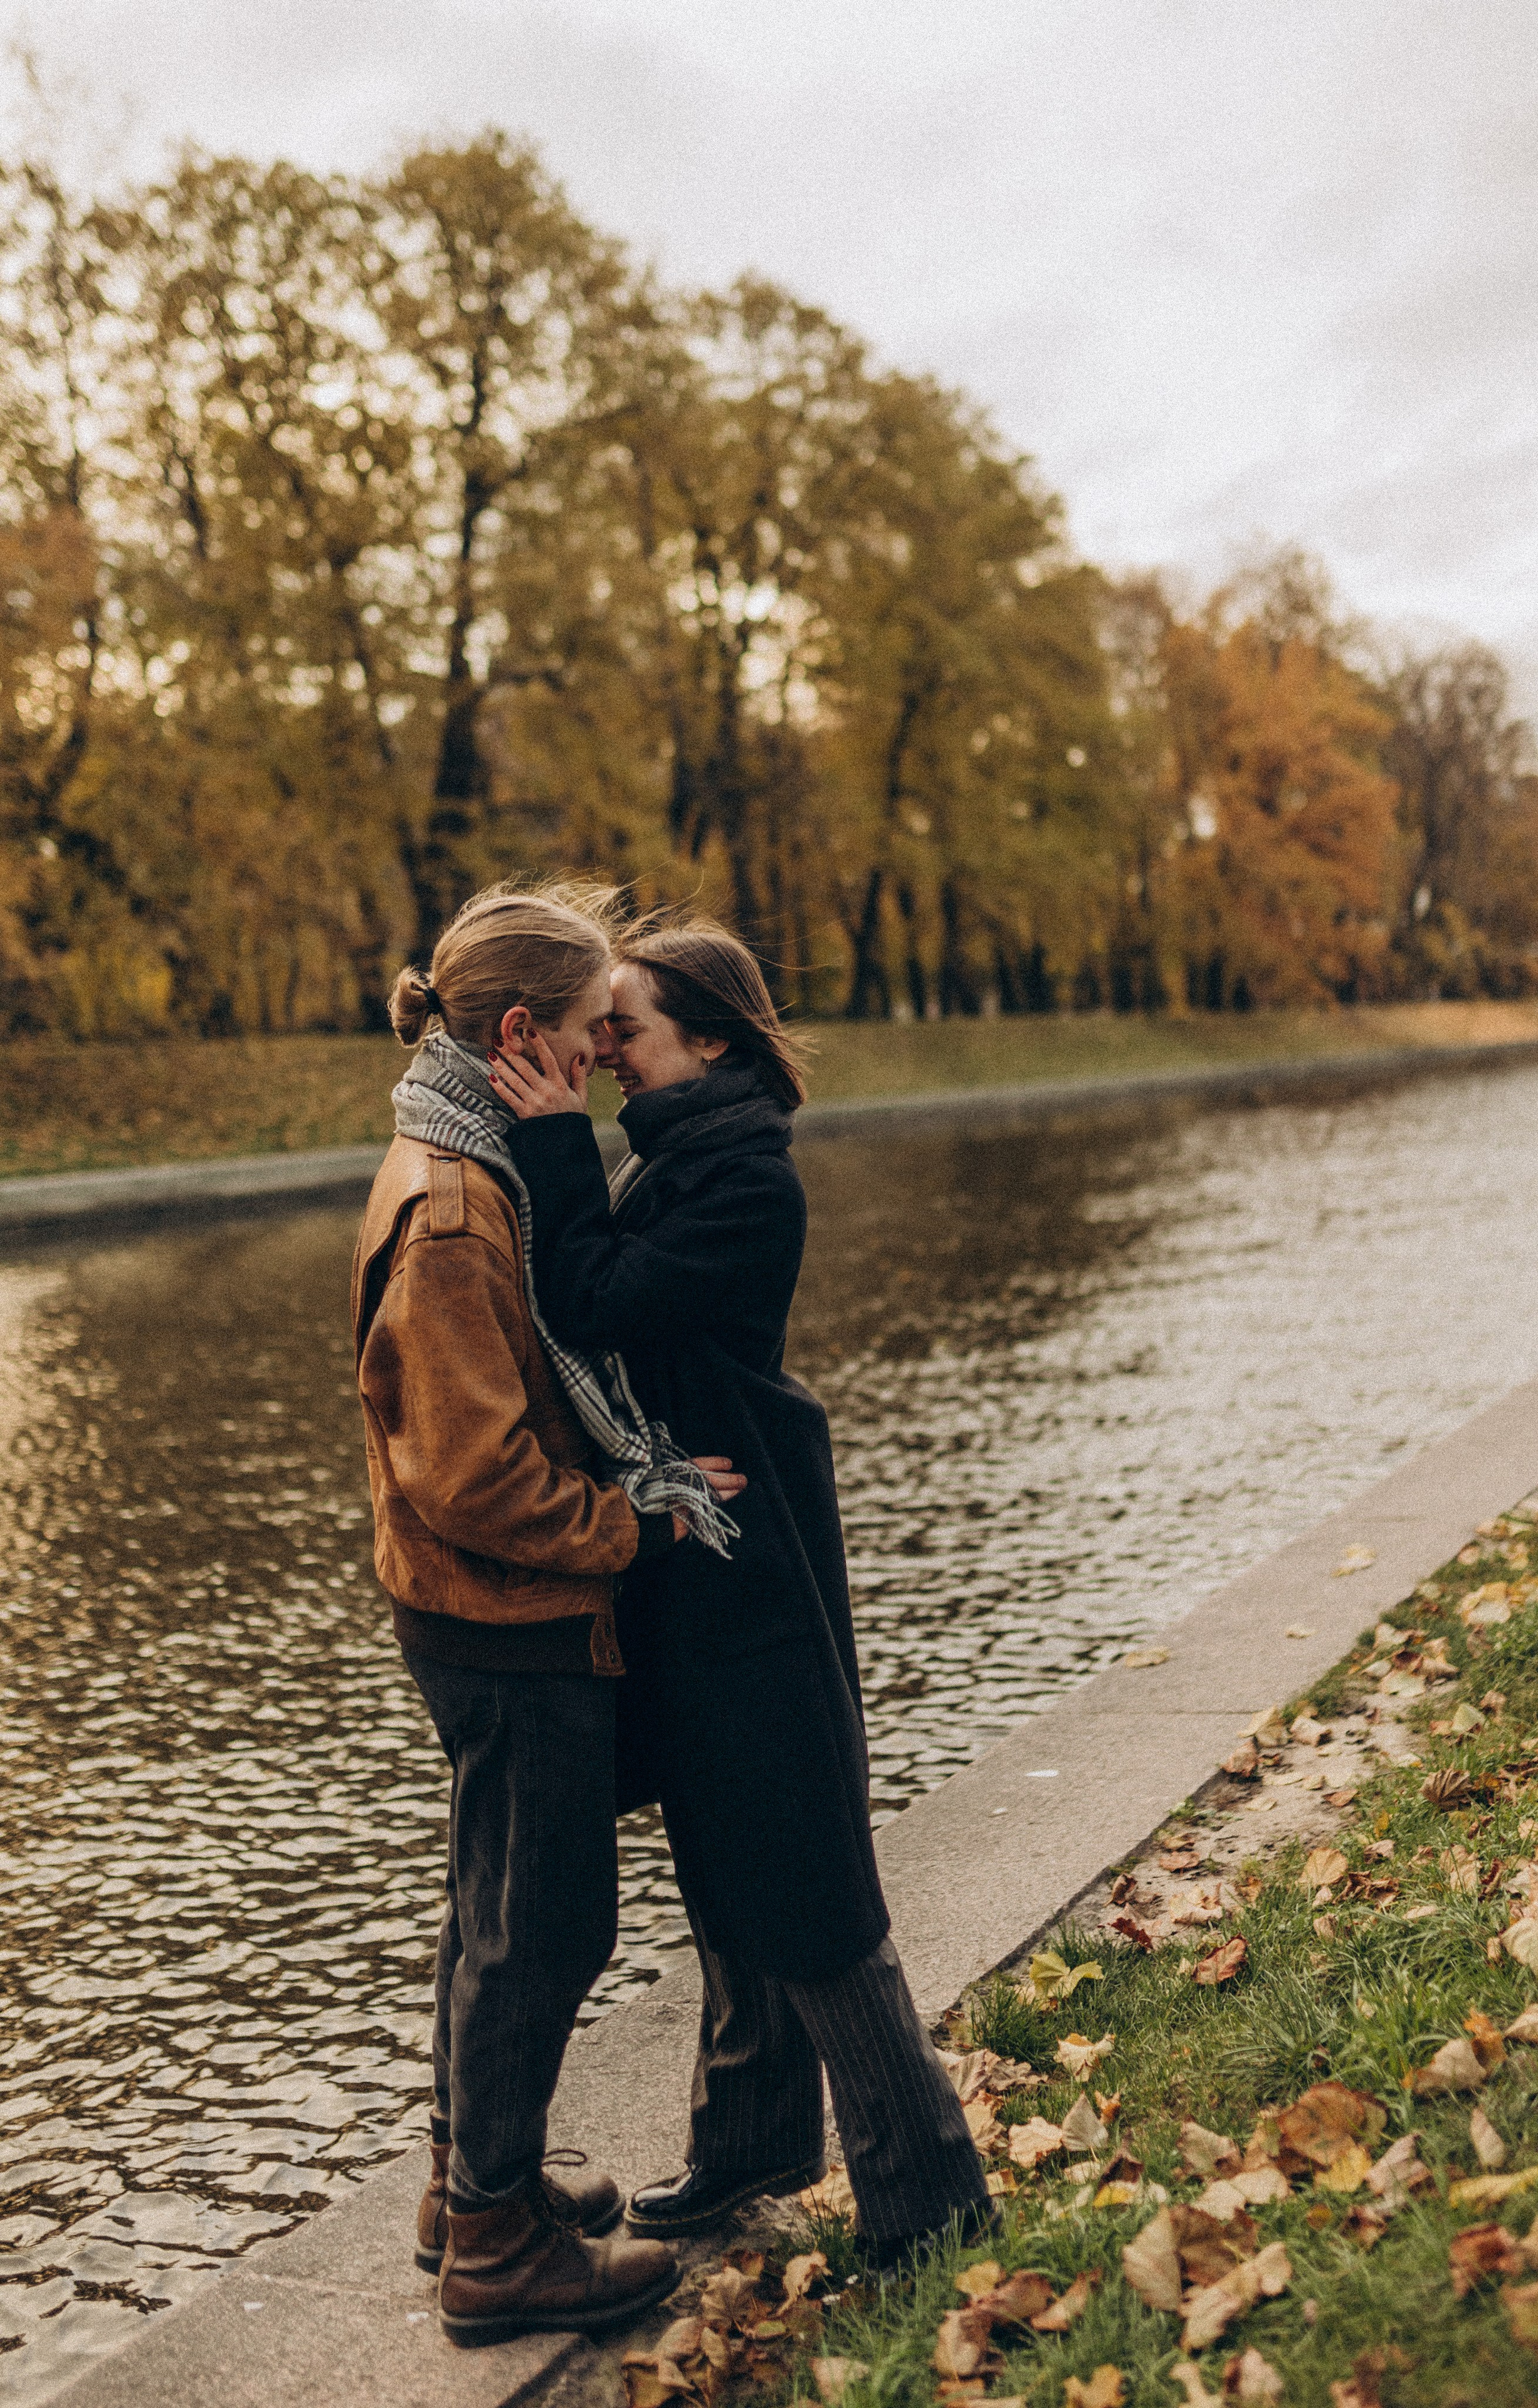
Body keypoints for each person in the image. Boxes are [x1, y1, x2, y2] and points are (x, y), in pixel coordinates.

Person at [486, 917, 991, 2269]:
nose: (601, 1053)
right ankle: (754, 2142)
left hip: (745, 1554)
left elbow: (590, 1298)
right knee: (724, 1848)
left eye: (626, 1029)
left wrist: (545, 1139)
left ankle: (930, 2198)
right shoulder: (681, 1158)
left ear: (708, 1040)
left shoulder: (746, 1184)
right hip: (696, 1546)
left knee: (805, 1873)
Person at [351, 882, 746, 2346]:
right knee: (546, 1926)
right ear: (519, 1029)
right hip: (509, 1617)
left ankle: (471, 2179)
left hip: (469, 1613)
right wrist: (627, 1521)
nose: (598, 1054)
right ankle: (498, 2251)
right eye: (587, 1030)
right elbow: (473, 1474)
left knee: (491, 1904)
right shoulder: (458, 1210)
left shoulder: (452, 1152)